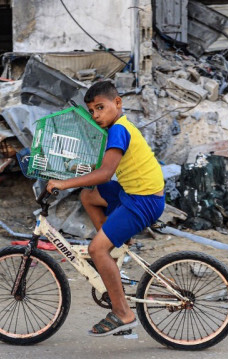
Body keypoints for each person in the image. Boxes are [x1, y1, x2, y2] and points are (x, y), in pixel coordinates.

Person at [46, 81, 165, 336]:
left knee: (95, 248)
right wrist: (66, 171)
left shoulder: (119, 130)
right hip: (133, 192)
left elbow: (105, 173)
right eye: (91, 110)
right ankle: (112, 250)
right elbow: (98, 169)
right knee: (89, 197)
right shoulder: (116, 128)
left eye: (100, 107)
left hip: (143, 200)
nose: (96, 115)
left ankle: (123, 313)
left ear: (118, 103)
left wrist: (64, 184)